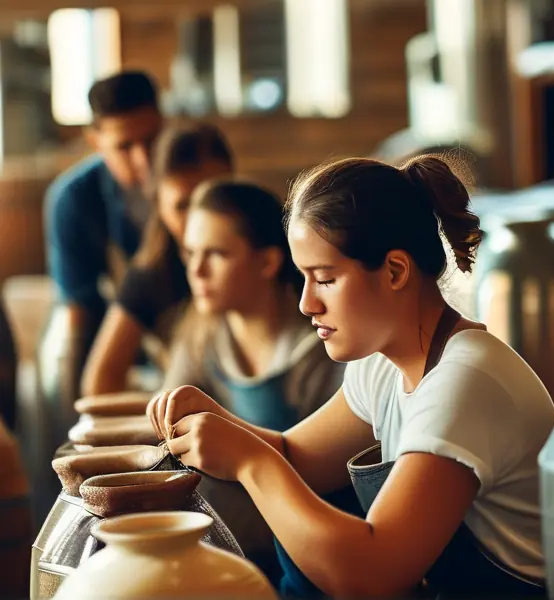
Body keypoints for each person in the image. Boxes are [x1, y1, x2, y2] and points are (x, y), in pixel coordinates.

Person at [149, 155, 554, 598]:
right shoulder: (382, 365)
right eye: (303, 278)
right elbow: (297, 457)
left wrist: (250, 460)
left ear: (395, 270)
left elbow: (372, 573)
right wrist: (222, 425)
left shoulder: (465, 383)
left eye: (324, 279)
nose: (307, 303)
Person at [157, 180, 346, 574]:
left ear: (268, 263)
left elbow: (329, 476)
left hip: (304, 556)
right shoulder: (199, 337)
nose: (196, 270)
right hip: (215, 553)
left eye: (217, 254)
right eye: (190, 253)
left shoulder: (323, 349)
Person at [81, 122, 235, 396]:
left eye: (212, 197)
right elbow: (99, 381)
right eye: (183, 205)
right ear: (159, 205)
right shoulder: (150, 275)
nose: (200, 216)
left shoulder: (274, 251)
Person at [45, 70, 163, 330]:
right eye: (125, 146)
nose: (143, 159)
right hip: (113, 339)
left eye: (151, 140)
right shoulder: (72, 201)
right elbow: (78, 306)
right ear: (95, 141)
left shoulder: (193, 181)